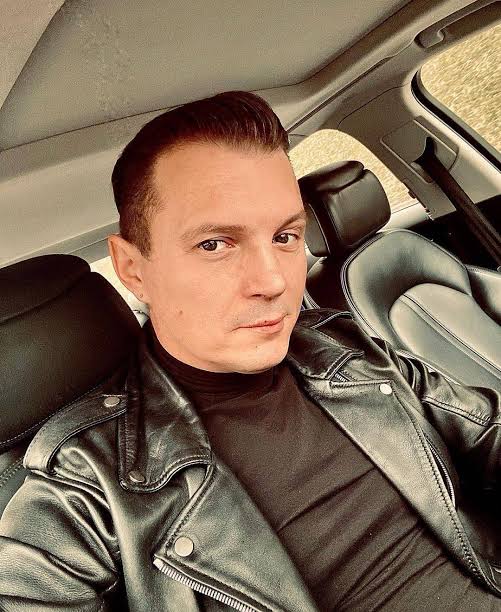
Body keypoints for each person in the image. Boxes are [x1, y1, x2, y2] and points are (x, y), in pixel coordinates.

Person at [1, 91, 501, 612]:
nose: (273, 281)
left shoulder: (343, 344)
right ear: (133, 268)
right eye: (214, 244)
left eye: (285, 236)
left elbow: (488, 432)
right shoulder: (89, 477)